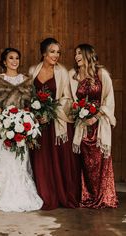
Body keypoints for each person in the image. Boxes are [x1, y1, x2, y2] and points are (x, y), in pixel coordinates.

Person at [0, 48, 43, 212]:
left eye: (17, 58)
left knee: (20, 161)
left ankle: (22, 194)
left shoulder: (25, 80)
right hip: (4, 127)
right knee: (5, 160)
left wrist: (25, 121)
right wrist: (2, 116)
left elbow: (30, 104)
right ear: (4, 61)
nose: (14, 61)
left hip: (22, 126)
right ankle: (3, 194)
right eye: (11, 58)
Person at [29, 38, 81, 210]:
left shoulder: (62, 72)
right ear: (44, 52)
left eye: (58, 52)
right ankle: (45, 194)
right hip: (39, 124)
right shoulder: (32, 71)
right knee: (41, 160)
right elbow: (28, 95)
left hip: (58, 123)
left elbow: (67, 98)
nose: (56, 55)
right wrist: (37, 113)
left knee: (59, 161)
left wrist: (51, 111)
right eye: (52, 51)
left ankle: (61, 195)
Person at [69, 43, 118, 208]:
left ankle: (103, 196)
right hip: (82, 126)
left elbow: (109, 98)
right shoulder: (73, 75)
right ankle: (87, 195)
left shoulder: (101, 73)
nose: (76, 57)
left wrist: (96, 116)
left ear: (87, 55)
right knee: (85, 162)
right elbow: (71, 100)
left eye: (79, 54)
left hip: (99, 125)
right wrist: (79, 114)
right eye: (75, 54)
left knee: (100, 161)